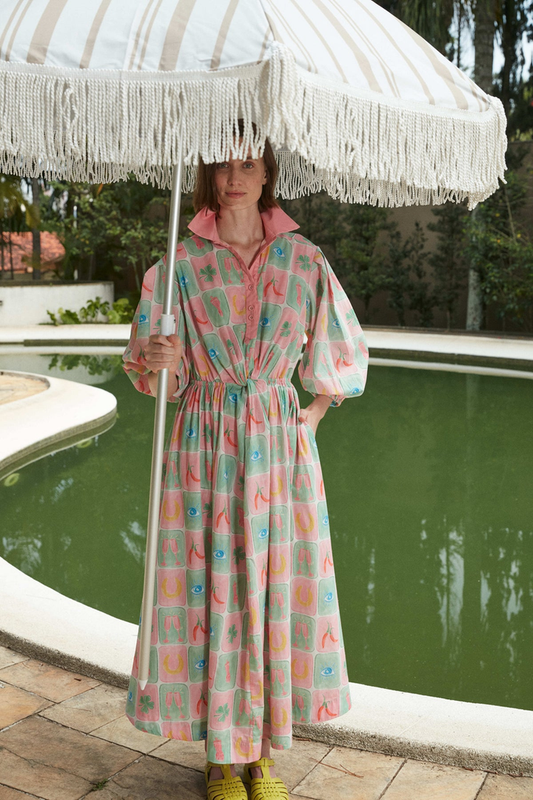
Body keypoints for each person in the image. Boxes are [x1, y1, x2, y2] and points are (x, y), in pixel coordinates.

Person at [122, 129, 369, 800]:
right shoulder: (176, 264)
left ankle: (258, 753)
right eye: (223, 164)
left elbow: (342, 346)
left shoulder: (303, 259)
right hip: (202, 436)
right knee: (211, 590)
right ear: (208, 175)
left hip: (278, 446)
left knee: (271, 590)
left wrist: (311, 417)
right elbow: (144, 371)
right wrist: (160, 360)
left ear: (266, 175)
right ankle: (220, 756)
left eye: (248, 164)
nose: (234, 176)